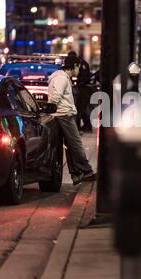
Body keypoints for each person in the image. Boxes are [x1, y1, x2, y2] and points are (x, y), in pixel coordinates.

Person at [48, 55, 96, 185]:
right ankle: (86, 172)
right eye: (78, 68)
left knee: (70, 146)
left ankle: (76, 175)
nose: (79, 71)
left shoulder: (61, 77)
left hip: (61, 115)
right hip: (65, 116)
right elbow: (55, 98)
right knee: (76, 144)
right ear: (74, 66)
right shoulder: (62, 79)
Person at [68, 51, 92, 132]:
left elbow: (85, 77)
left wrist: (78, 83)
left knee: (82, 108)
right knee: (80, 108)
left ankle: (87, 126)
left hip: (83, 88)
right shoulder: (77, 64)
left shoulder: (82, 64)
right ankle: (84, 126)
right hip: (79, 88)